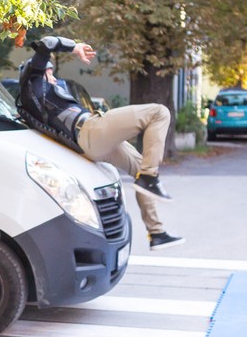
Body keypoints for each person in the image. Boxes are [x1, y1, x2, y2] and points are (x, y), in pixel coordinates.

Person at [17, 35, 184, 251]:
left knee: (140, 167)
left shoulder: (43, 93)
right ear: (36, 73)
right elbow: (48, 42)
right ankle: (150, 178)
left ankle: (156, 232)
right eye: (49, 72)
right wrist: (75, 47)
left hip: (92, 142)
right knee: (159, 112)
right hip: (90, 132)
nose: (54, 77)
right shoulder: (34, 87)